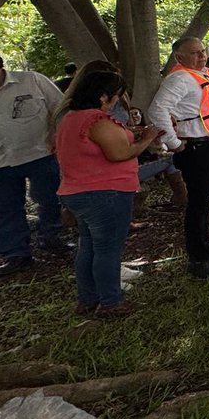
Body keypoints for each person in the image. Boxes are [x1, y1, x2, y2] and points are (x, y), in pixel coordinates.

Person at [56, 71, 164, 317]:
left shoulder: (70, 119)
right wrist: (147, 138)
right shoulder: (97, 120)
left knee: (89, 247)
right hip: (105, 193)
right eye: (116, 96)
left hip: (78, 191)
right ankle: (111, 302)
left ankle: (87, 299)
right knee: (107, 250)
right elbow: (120, 154)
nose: (117, 101)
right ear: (103, 96)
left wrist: (134, 134)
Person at [147, 36, 209, 279]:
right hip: (195, 148)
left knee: (205, 199)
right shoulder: (179, 79)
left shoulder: (204, 74)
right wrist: (174, 143)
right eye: (195, 53)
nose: (202, 55)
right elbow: (157, 110)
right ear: (180, 58)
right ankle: (198, 257)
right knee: (197, 203)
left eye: (203, 50)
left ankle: (204, 241)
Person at [0, 45, 66, 276]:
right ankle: (15, 254)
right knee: (5, 209)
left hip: (38, 152)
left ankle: (52, 238)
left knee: (50, 199)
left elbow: (60, 107)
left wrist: (57, 135)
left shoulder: (31, 81)